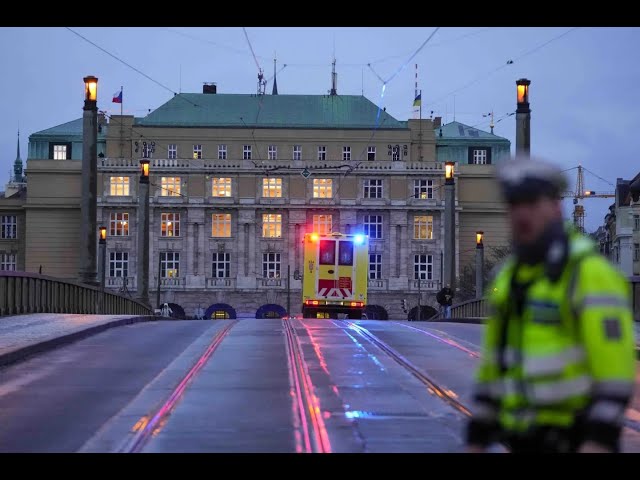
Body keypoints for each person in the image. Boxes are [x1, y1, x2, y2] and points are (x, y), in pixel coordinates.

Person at [465, 158, 636, 454]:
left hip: (573, 437)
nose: (522, 213)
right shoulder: (508, 277)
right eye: (514, 203)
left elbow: (615, 371)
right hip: (518, 438)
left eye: (532, 202)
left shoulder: (589, 273)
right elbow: (494, 366)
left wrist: (599, 440)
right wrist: (477, 436)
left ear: (556, 206)